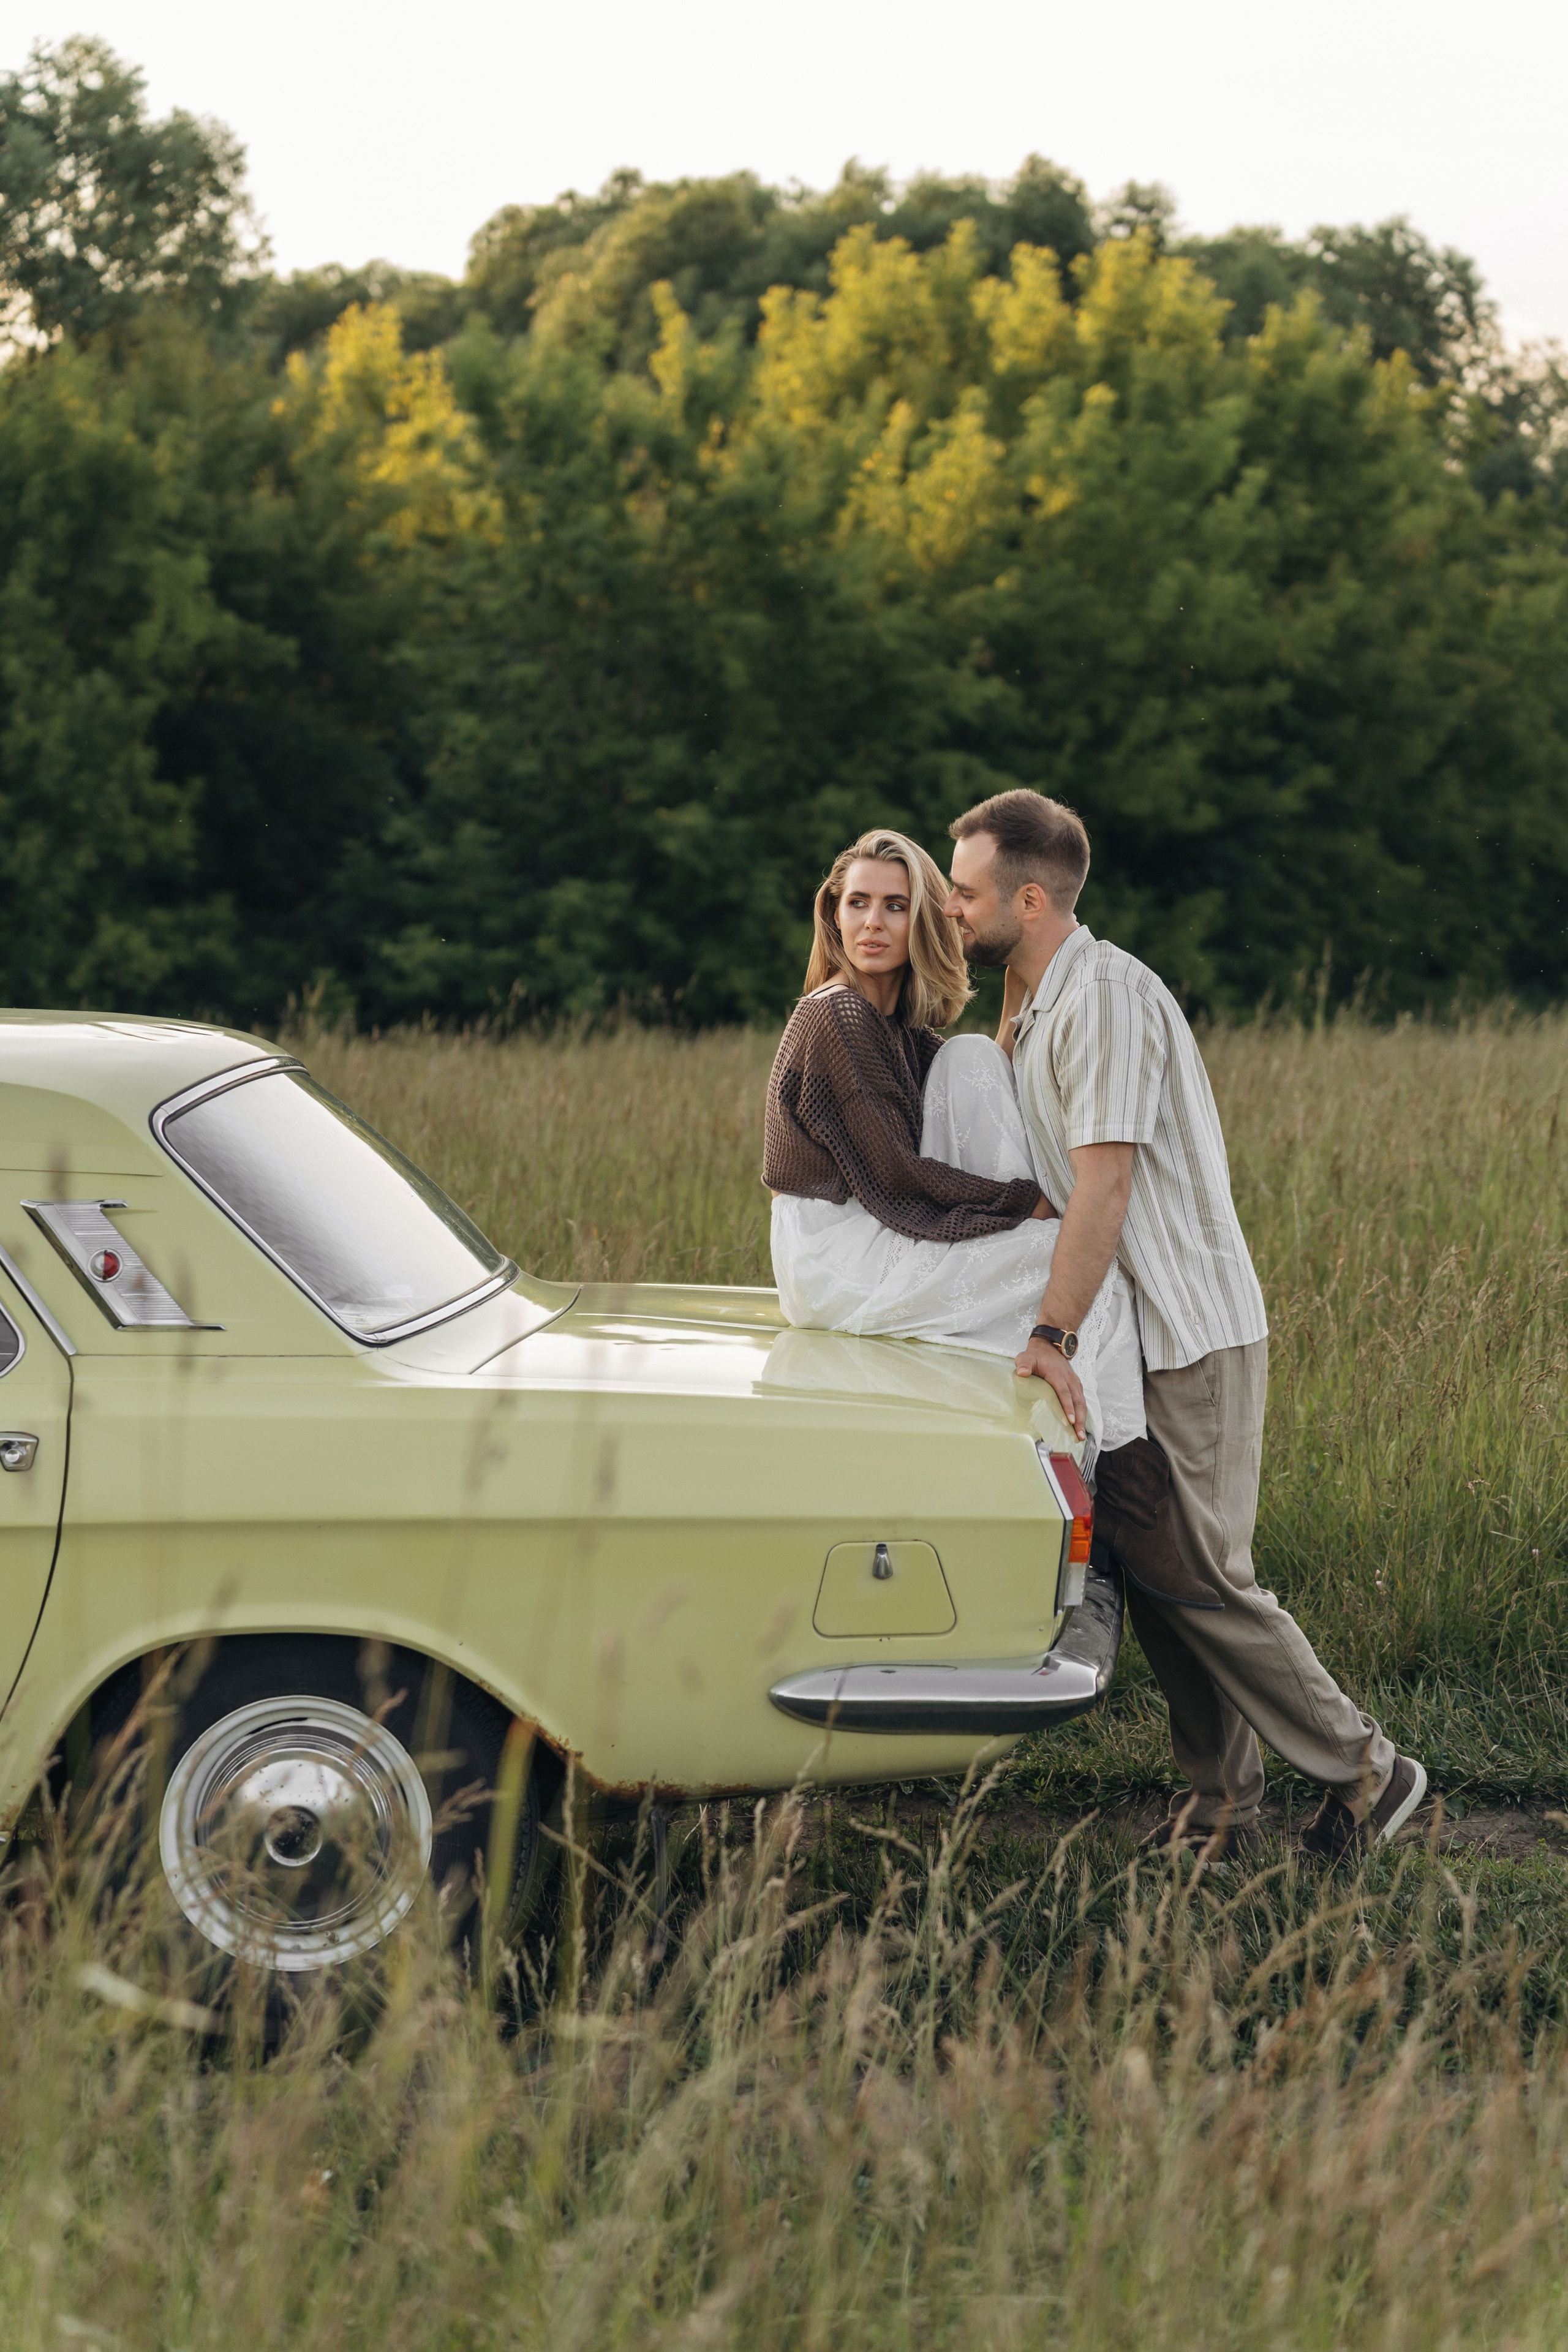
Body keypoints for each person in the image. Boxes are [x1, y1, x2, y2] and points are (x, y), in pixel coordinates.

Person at [942, 787, 1427, 1860]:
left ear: (1030, 897)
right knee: (1162, 1584)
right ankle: (1223, 1811)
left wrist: (1052, 1335)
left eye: (963, 891)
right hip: (1125, 1344)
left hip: (1186, 1334)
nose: (949, 908)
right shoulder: (1023, 1009)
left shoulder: (1105, 997)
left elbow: (1103, 1186)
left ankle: (1369, 1771)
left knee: (1205, 1578)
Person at [763, 829, 1147, 1455]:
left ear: (923, 919)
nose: (873, 923)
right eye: (857, 903)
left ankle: (1108, 1464)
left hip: (871, 1231)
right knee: (1079, 1265)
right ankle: (1116, 1472)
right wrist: (1031, 1205)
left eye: (895, 905)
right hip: (834, 1253)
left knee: (972, 1060)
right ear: (833, 914)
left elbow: (977, 1088)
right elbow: (898, 1178)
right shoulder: (835, 1015)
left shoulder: (896, 1027)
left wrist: (1019, 988)